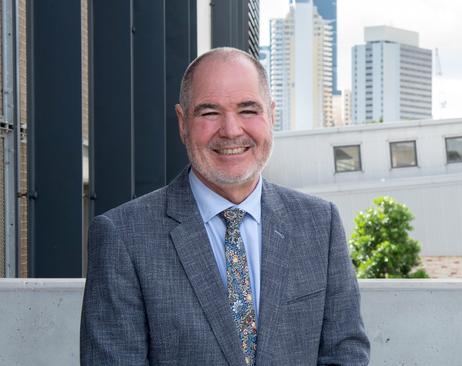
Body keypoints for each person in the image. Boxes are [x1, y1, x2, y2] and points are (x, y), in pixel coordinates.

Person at [80, 47, 370, 365]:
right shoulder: (123, 236)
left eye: (248, 110)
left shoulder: (320, 224)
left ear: (271, 116)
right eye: (209, 113)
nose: (231, 130)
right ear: (182, 122)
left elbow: (345, 353)